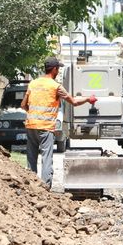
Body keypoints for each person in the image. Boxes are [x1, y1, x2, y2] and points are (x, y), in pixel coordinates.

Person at [21, 56, 96, 189]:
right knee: (46, 159)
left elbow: (23, 105)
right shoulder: (55, 86)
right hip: (45, 128)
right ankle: (44, 188)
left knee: (31, 158)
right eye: (58, 69)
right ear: (54, 69)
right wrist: (88, 99)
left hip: (31, 125)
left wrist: (32, 114)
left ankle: (30, 187)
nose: (59, 72)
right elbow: (73, 101)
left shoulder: (33, 83)